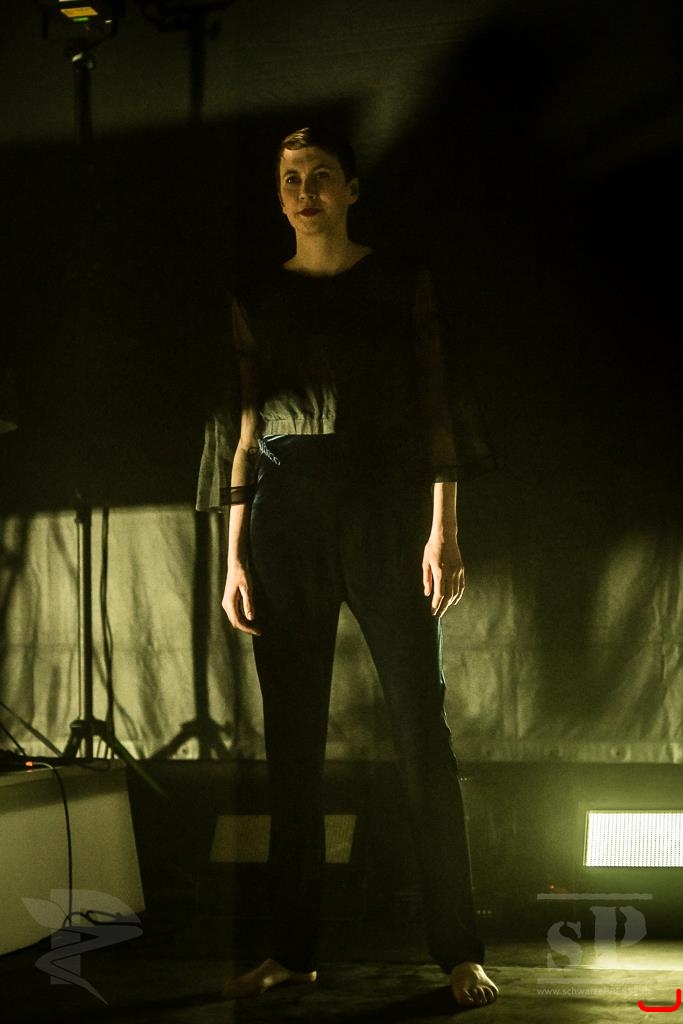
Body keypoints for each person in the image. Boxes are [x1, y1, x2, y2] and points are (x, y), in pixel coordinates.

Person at [196, 124, 499, 1009]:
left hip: (384, 511)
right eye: (291, 178)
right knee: (290, 745)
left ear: (350, 189)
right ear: (278, 193)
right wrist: (232, 558)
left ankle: (459, 950)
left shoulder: (401, 281)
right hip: (285, 519)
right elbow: (244, 430)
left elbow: (439, 408)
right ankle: (291, 950)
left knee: (421, 734)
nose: (304, 192)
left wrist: (443, 532)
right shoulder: (257, 296)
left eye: (320, 175)